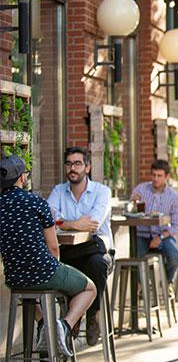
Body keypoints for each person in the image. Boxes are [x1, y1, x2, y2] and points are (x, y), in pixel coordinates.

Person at [1, 154, 96, 357]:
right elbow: (53, 247)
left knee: (30, 293)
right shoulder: (36, 202)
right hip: (44, 271)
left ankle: (45, 324)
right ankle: (63, 326)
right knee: (90, 288)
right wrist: (55, 270)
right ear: (22, 178)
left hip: (14, 278)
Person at [48, 146, 112, 346]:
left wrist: (62, 222)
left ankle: (91, 315)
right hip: (68, 251)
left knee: (97, 261)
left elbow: (93, 224)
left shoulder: (102, 191)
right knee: (67, 262)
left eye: (77, 163)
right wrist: (72, 224)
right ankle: (73, 318)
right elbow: (49, 218)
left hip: (93, 250)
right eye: (68, 163)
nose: (72, 168)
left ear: (87, 166)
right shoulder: (58, 191)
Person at [130, 159, 178, 286]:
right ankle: (143, 288)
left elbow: (176, 225)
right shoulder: (141, 189)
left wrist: (161, 237)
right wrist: (132, 204)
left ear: (167, 177)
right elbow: (131, 212)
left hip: (162, 235)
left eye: (159, 176)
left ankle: (166, 284)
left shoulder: (174, 197)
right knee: (137, 261)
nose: (155, 179)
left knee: (174, 257)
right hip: (141, 234)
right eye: (153, 175)